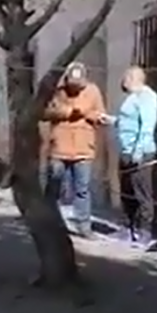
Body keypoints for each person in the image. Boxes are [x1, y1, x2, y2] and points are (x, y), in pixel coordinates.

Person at [43, 62, 106, 238]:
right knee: (54, 187)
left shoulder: (93, 91)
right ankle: (48, 221)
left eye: (78, 85)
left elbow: (100, 113)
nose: (75, 88)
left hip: (84, 148)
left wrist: (88, 114)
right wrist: (68, 112)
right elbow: (45, 112)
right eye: (72, 84)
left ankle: (84, 225)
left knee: (82, 189)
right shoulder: (57, 91)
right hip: (60, 147)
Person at [107, 66, 157, 247]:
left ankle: (145, 231)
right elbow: (128, 121)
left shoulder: (147, 97)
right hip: (126, 151)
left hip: (141, 153)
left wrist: (138, 151)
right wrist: (111, 120)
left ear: (133, 78)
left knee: (142, 192)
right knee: (126, 191)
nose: (123, 81)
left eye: (125, 78)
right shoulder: (131, 98)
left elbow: (147, 126)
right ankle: (126, 228)